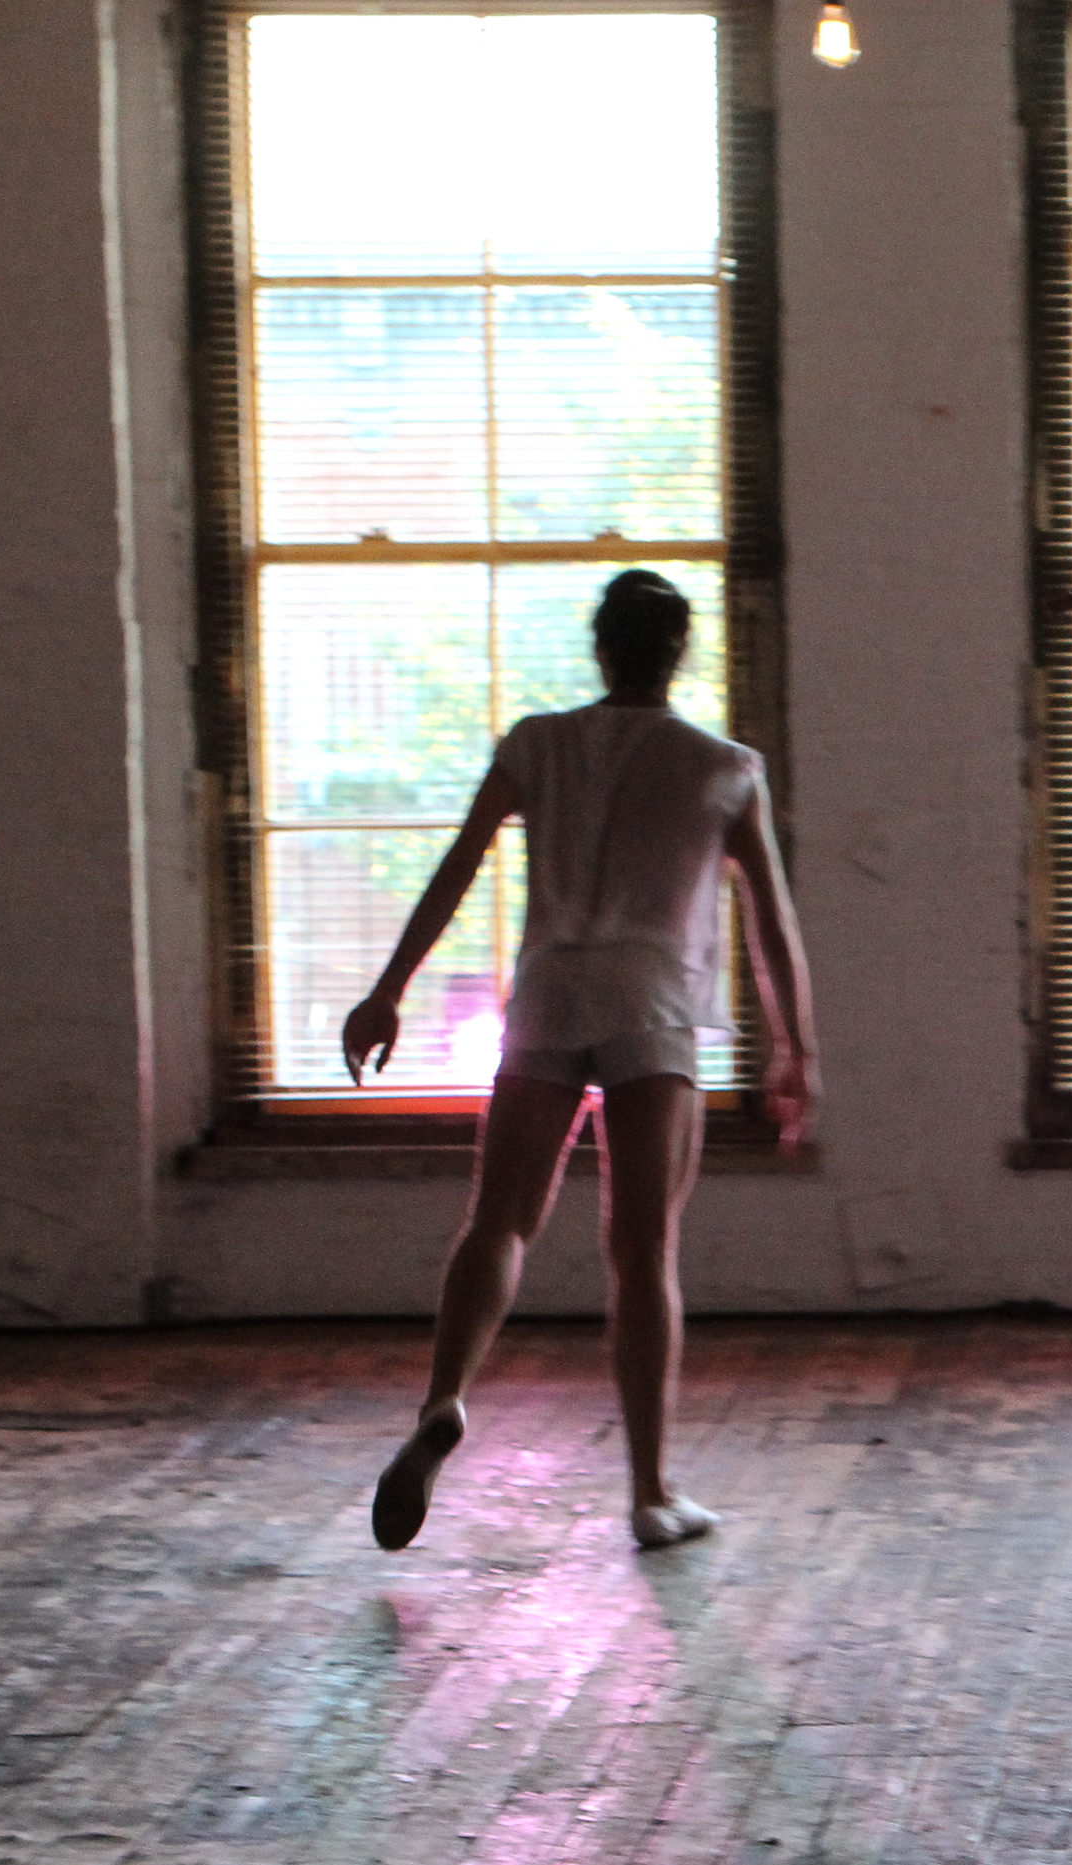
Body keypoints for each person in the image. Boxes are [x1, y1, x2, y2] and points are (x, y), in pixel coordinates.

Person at [342, 570, 818, 1555]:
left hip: (552, 992)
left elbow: (459, 865)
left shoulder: (536, 745)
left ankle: (444, 1397)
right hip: (653, 1006)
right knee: (641, 1248)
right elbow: (773, 926)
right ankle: (649, 1491)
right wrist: (796, 1048)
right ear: (676, 653)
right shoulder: (726, 768)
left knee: (499, 1221)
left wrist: (388, 989)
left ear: (600, 649)